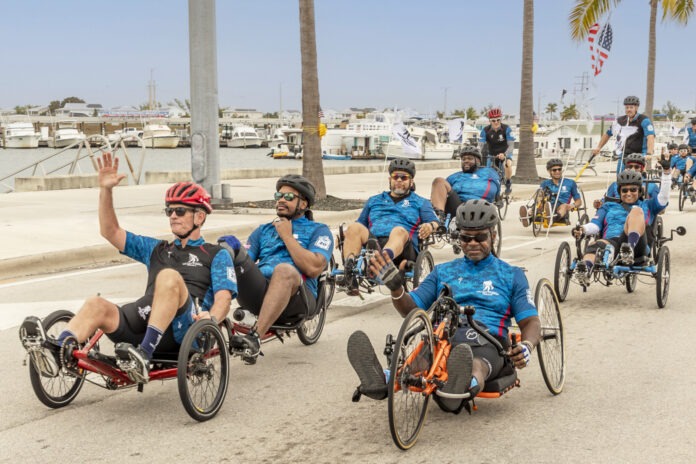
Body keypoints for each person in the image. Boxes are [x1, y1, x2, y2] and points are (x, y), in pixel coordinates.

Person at [19, 153, 237, 384]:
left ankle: (143, 356)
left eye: (180, 211)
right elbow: (111, 232)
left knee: (168, 277)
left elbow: (223, 299)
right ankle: (58, 352)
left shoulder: (216, 254)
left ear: (200, 216)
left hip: (184, 331)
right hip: (142, 322)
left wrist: (211, 318)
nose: (173, 216)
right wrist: (106, 190)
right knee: (96, 304)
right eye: (169, 211)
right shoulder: (156, 249)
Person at [347, 200, 540, 412]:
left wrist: (526, 346)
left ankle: (463, 386)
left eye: (480, 237)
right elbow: (411, 310)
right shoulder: (443, 271)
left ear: (493, 236)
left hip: (488, 340)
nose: (472, 243)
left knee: (477, 364)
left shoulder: (512, 275)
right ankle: (382, 380)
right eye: (466, 238)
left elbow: (530, 321)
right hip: (443, 339)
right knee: (418, 362)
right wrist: (396, 288)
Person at [220, 175, 333, 364]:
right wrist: (230, 252)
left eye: (288, 197)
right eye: (278, 196)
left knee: (284, 270)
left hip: (298, 298)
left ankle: (255, 338)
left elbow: (314, 268)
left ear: (303, 204)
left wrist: (287, 237)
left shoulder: (319, 230)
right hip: (261, 291)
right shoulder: (263, 230)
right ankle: (204, 325)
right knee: (227, 251)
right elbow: (245, 261)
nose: (281, 200)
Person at [341, 158, 439, 296]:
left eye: (404, 177)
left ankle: (382, 261)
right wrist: (348, 234)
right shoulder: (374, 200)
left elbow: (435, 222)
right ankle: (350, 271)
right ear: (390, 179)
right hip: (374, 244)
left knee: (398, 230)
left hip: (404, 248)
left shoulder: (420, 202)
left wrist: (430, 226)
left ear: (411, 182)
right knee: (354, 227)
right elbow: (360, 224)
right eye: (395, 177)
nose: (399, 180)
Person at [572, 166, 671, 284]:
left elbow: (663, 198)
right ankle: (585, 270)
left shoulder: (648, 205)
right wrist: (583, 229)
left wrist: (666, 174)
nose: (629, 193)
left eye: (633, 190)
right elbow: (595, 225)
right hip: (613, 242)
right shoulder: (608, 206)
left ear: (640, 191)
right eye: (624, 190)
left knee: (636, 211)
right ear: (619, 192)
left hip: (638, 244)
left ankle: (629, 248)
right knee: (594, 244)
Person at [430, 145, 500, 224]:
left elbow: (497, 187)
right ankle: (438, 218)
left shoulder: (488, 172)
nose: (466, 161)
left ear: (478, 161)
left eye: (470, 158)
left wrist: (497, 199)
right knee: (439, 181)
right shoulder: (454, 176)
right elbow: (441, 193)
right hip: (458, 206)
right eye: (463, 159)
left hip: (480, 206)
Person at [592, 96, 655, 173]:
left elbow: (650, 137)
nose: (628, 109)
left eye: (631, 107)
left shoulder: (644, 120)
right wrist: (598, 147)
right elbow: (607, 134)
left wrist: (649, 153)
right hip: (624, 155)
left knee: (638, 178)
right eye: (627, 107)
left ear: (636, 108)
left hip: (640, 154)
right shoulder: (620, 120)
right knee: (620, 178)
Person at [519, 158, 582, 227]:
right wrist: (538, 200)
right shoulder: (545, 183)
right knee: (540, 199)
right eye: (554, 170)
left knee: (564, 206)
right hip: (546, 206)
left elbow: (579, 201)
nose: (557, 171)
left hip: (561, 206)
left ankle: (552, 218)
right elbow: (539, 197)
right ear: (549, 171)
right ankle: (529, 216)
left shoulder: (570, 183)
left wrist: (572, 205)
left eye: (559, 169)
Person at [593, 153, 659, 209]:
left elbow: (658, 208)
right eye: (630, 167)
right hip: (616, 214)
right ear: (625, 168)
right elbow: (606, 200)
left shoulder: (651, 185)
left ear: (642, 169)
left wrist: (645, 194)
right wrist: (600, 203)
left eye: (636, 167)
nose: (633, 169)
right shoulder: (615, 184)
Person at [479, 108, 515, 195]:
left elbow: (511, 145)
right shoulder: (485, 130)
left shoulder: (507, 129)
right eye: (493, 120)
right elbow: (480, 145)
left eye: (498, 120)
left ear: (501, 119)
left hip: (505, 152)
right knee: (487, 172)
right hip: (492, 154)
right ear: (490, 121)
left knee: (508, 164)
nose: (496, 122)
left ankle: (508, 182)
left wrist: (505, 154)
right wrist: (477, 154)